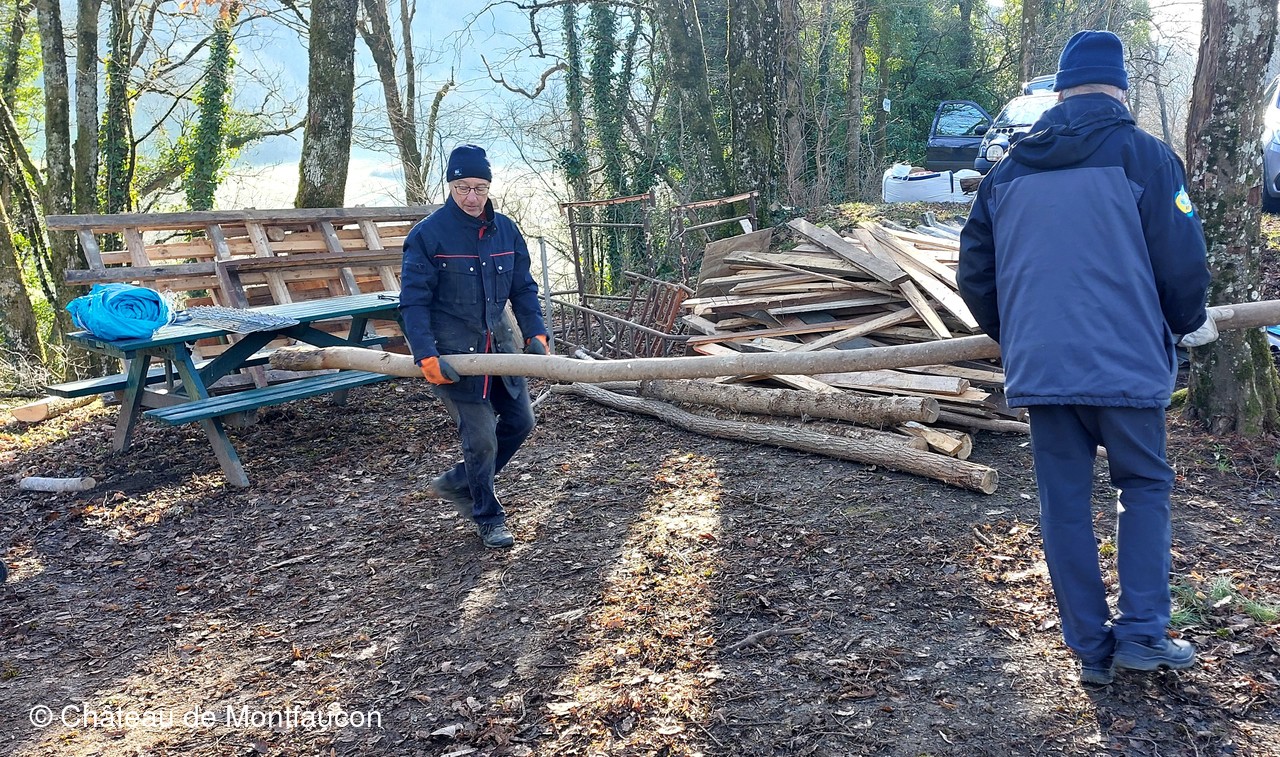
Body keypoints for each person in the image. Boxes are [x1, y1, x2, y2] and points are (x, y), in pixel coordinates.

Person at [958, 30, 1218, 685]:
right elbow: (1182, 264)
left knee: (1064, 504)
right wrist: (1187, 323)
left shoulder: (1007, 172)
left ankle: (1090, 648)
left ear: (1060, 91)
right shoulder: (1147, 159)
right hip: (1126, 363)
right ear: (1120, 90)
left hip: (1043, 369)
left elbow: (975, 274)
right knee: (1143, 487)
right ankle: (1142, 634)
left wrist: (1017, 335)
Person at [399, 144, 550, 549]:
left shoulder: (506, 230)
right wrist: (426, 355)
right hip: (453, 352)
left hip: (501, 346)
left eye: (479, 188)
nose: (471, 197)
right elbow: (413, 303)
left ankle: (459, 483)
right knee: (481, 438)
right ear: (450, 186)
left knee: (521, 422)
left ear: (489, 187)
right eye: (462, 187)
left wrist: (536, 333)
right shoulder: (427, 235)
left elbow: (523, 288)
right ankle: (488, 516)